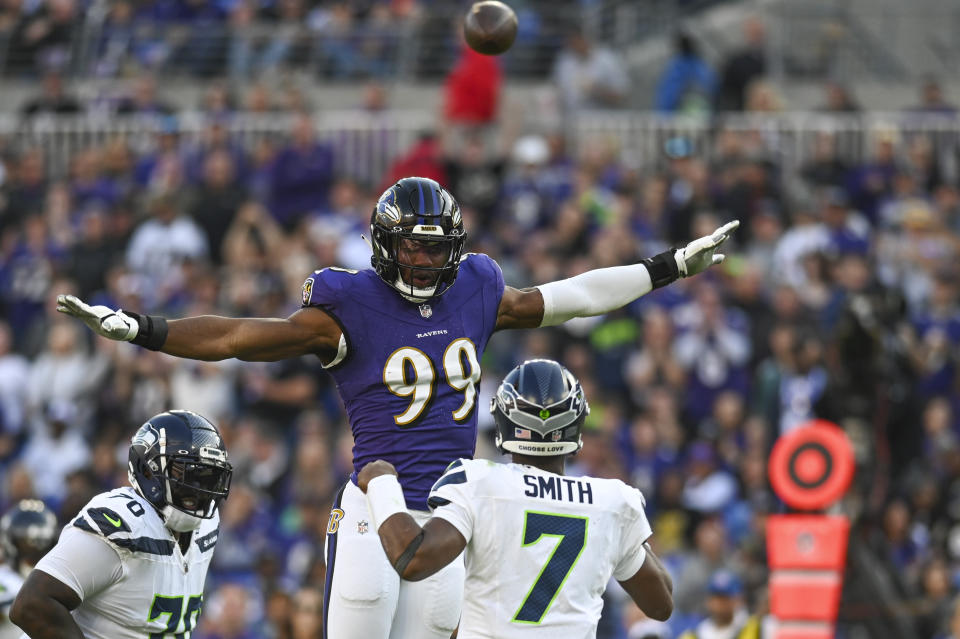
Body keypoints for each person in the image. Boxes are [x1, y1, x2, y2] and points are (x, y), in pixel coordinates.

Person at [56, 176, 737, 639]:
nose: (422, 257)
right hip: (372, 508)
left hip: (447, 517)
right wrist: (144, 328)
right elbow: (240, 335)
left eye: (436, 246)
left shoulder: (476, 288)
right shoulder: (346, 305)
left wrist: (669, 264)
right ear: (385, 243)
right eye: (411, 244)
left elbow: (573, 296)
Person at [357, 358, 674, 637]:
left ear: (504, 424)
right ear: (576, 429)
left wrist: (382, 484)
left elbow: (413, 558)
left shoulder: (481, 482)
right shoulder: (612, 501)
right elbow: (661, 605)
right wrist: (623, 543)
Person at [9, 410, 233, 639]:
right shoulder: (123, 523)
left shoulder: (207, 524)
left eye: (208, 476)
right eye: (187, 473)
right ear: (148, 470)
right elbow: (32, 605)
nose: (199, 488)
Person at [0, 500, 58, 639]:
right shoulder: (5, 579)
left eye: (38, 544)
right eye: (24, 544)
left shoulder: (59, 582)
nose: (32, 551)